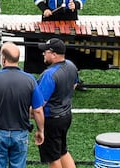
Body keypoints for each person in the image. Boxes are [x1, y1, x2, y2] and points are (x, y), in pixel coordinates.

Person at [0, 43, 34, 168]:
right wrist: (41, 131)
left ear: (3, 59)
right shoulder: (30, 79)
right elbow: (37, 110)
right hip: (21, 133)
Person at [30, 38, 78, 168]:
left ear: (54, 54)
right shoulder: (71, 65)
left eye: (46, 51)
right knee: (62, 151)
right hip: (66, 116)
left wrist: (25, 113)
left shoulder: (49, 75)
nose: (43, 54)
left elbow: (39, 105)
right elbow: (74, 84)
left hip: (52, 120)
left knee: (53, 158)